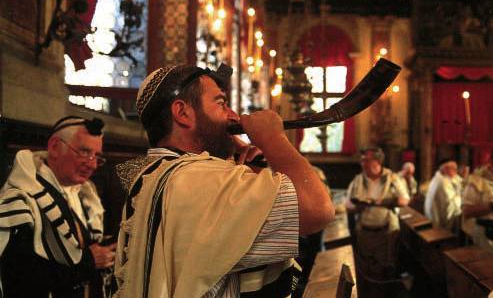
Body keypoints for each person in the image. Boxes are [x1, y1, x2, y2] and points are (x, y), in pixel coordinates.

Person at [113, 64, 334, 297]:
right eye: (220, 103)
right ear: (183, 113)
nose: (233, 116)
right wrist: (274, 138)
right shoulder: (197, 179)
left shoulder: (154, 174)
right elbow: (317, 210)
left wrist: (252, 172)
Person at [0, 116, 116, 297]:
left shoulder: (85, 195)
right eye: (84, 152)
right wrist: (88, 262)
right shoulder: (21, 200)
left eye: (97, 157)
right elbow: (18, 275)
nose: (92, 164)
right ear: (54, 147)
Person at [345, 147, 410, 297]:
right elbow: (347, 204)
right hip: (364, 231)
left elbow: (405, 200)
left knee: (385, 269)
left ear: (377, 161)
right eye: (361, 160)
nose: (362, 163)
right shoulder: (358, 180)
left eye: (365, 160)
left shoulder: (392, 178)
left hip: (386, 232)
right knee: (366, 270)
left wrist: (383, 201)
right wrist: (357, 206)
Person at [424, 159, 463, 233]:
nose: (456, 171)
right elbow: (451, 203)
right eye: (454, 169)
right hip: (439, 223)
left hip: (433, 217)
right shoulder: (443, 182)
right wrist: (461, 198)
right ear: (445, 169)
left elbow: (459, 180)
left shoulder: (439, 177)